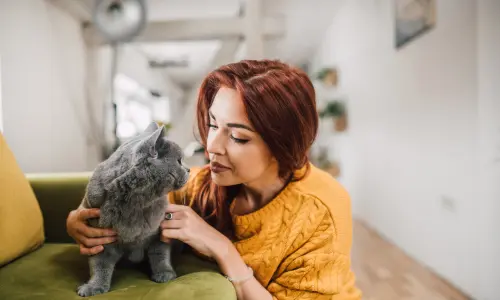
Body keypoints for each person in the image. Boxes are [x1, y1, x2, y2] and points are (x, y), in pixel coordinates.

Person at [66, 59, 362, 300]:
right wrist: (78, 221)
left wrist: (221, 247)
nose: (212, 146)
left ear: (283, 144)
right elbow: (129, 206)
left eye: (237, 136)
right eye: (212, 124)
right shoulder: (202, 184)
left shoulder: (321, 211)